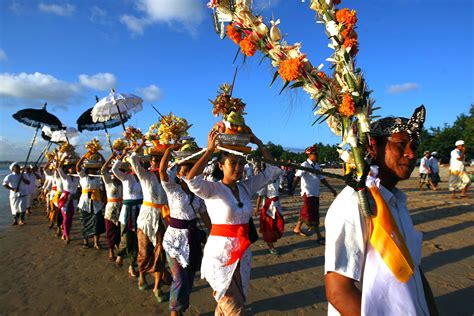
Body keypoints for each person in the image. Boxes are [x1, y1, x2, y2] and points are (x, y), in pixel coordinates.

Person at [324, 106, 439, 315]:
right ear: (373, 148)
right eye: (400, 144)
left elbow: (413, 270)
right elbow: (339, 292)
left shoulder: (397, 202)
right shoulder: (354, 204)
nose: (411, 153)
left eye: (414, 145)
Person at [185, 129, 282, 315]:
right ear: (221, 166)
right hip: (220, 256)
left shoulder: (246, 187)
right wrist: (209, 151)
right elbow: (192, 181)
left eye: (241, 163)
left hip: (243, 254)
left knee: (232, 303)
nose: (238, 167)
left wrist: (259, 143)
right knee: (234, 309)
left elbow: (273, 170)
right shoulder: (212, 189)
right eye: (233, 163)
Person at [160, 145, 212, 315]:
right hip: (174, 239)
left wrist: (214, 234)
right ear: (179, 172)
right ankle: (174, 311)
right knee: (179, 278)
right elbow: (161, 171)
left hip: (193, 237)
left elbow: (204, 215)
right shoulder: (172, 189)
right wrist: (168, 150)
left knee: (189, 276)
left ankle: (181, 306)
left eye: (192, 169)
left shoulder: (198, 193)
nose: (189, 172)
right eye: (185, 169)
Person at [127, 143, 169, 302]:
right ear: (150, 162)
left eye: (160, 160)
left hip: (163, 218)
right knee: (144, 251)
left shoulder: (169, 176)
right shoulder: (145, 175)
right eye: (153, 160)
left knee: (160, 253)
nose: (156, 163)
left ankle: (157, 287)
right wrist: (141, 145)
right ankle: (142, 276)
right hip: (146, 218)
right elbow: (132, 159)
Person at [290, 145, 337, 243]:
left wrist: (332, 189)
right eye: (315, 154)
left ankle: (297, 228)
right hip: (307, 193)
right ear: (309, 155)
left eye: (316, 153)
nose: (317, 155)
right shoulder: (304, 164)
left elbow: (322, 179)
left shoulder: (316, 165)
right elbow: (297, 177)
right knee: (312, 215)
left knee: (307, 212)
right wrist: (292, 189)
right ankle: (319, 236)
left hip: (315, 193)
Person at [111, 150, 143, 278]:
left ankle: (131, 265)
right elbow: (114, 169)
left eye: (139, 164)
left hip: (140, 210)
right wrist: (122, 155)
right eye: (134, 164)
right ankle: (120, 254)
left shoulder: (144, 177)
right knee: (125, 235)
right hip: (126, 210)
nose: (137, 166)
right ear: (129, 166)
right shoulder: (125, 177)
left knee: (137, 239)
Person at [76, 153, 105, 250]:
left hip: (96, 203)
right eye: (91, 169)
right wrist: (84, 156)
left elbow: (105, 167)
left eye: (94, 169)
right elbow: (78, 167)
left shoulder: (98, 177)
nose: (93, 170)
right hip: (85, 203)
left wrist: (100, 155)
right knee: (85, 222)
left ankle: (96, 242)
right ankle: (86, 241)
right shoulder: (83, 176)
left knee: (97, 222)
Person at [254, 163, 284, 255]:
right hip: (268, 206)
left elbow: (279, 189)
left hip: (277, 204)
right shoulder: (265, 179)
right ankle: (270, 246)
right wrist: (257, 209)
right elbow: (260, 195)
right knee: (269, 227)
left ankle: (271, 242)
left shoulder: (278, 177)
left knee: (278, 224)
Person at [101, 152, 123, 261]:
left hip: (121, 208)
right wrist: (111, 157)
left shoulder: (124, 182)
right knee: (110, 230)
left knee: (119, 231)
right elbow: (103, 170)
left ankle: (118, 247)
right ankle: (111, 250)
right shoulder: (108, 181)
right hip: (110, 209)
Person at [57, 159, 79, 244]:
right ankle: (67, 236)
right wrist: (64, 157)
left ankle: (65, 233)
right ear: (68, 169)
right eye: (71, 167)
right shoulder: (65, 176)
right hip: (65, 199)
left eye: (74, 167)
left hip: (73, 199)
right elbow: (59, 168)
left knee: (70, 218)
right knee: (66, 218)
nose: (72, 169)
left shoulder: (77, 177)